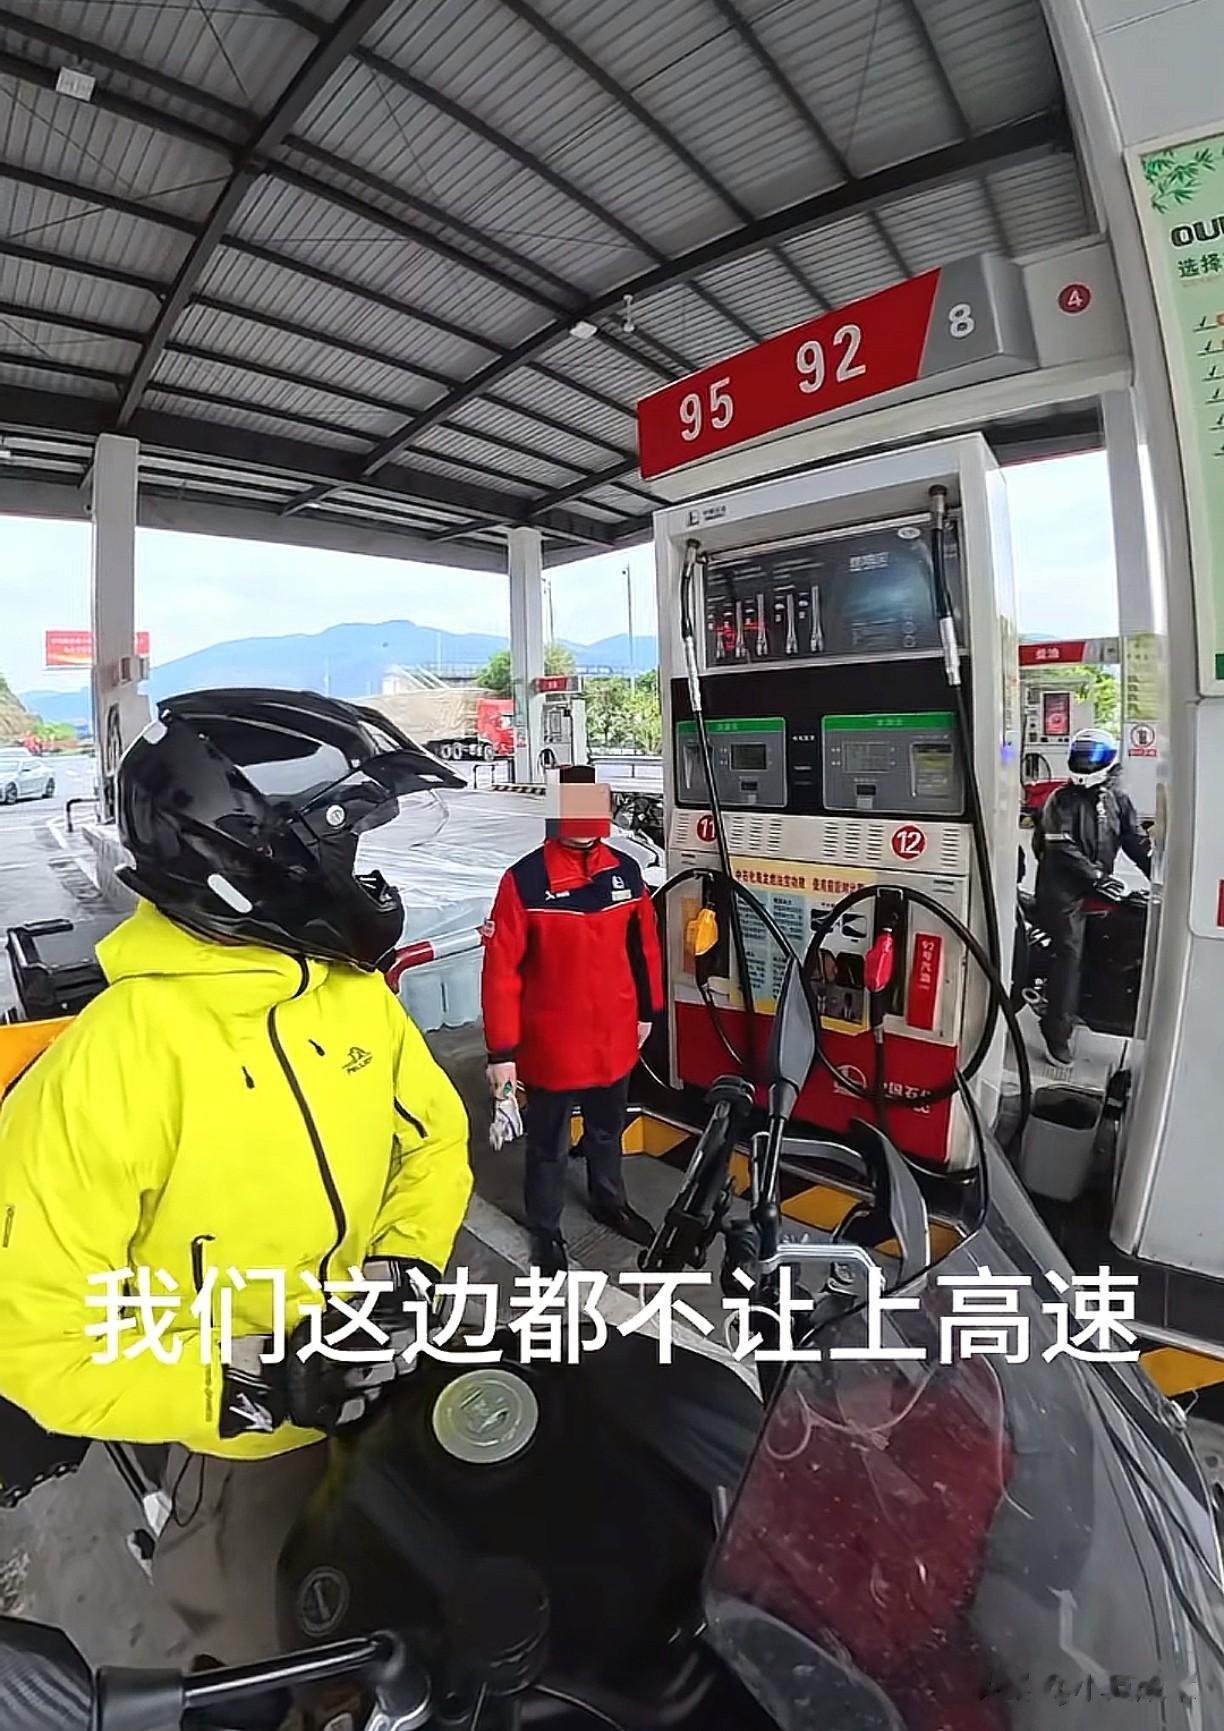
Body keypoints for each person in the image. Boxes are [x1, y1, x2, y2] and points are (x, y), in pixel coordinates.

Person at [0, 689, 474, 1665]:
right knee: (253, 1676)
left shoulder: (352, 998)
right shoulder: (113, 1061)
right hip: (242, 1455)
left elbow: (433, 1141)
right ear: (251, 859)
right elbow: (36, 1345)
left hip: (393, 1382)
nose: (363, 874)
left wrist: (405, 1265)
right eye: (343, 845)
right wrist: (256, 1386)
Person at [480, 766, 664, 1274]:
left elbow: (645, 949)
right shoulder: (524, 882)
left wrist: (648, 1012)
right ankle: (546, 1229)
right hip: (552, 1045)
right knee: (549, 1145)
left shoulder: (626, 874)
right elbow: (501, 973)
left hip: (615, 1035)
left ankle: (610, 1201)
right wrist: (502, 1053)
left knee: (607, 1130)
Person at [1032, 726, 1151, 1064]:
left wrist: (1160, 871)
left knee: (1128, 928)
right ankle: (1057, 1031)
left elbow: (1134, 840)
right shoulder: (1060, 799)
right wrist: (1096, 877)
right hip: (1062, 889)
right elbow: (1060, 846)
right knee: (1070, 954)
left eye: (1091, 757)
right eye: (1080, 756)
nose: (1085, 763)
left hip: (1099, 884)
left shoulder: (1118, 799)